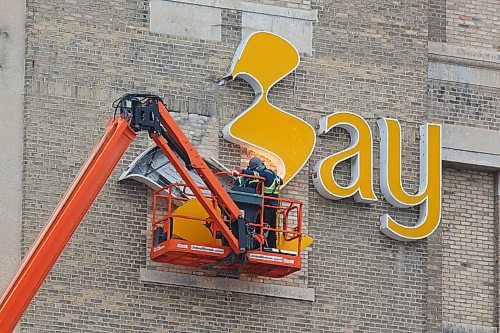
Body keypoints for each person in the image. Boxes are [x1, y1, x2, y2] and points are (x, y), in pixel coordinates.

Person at [234, 157, 283, 248]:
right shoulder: (273, 175)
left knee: (262, 226)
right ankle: (270, 246)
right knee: (270, 227)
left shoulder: (266, 174)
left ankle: (261, 246)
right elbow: (281, 181)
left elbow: (255, 174)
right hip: (271, 205)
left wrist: (242, 171)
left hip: (267, 205)